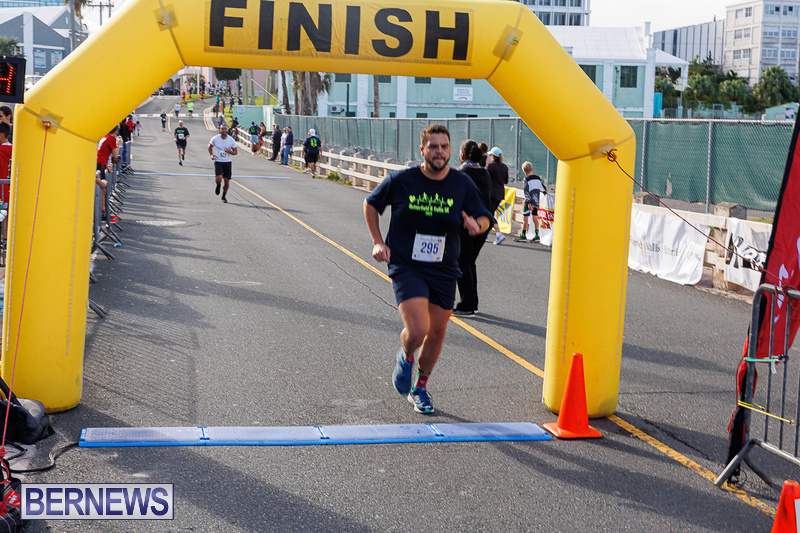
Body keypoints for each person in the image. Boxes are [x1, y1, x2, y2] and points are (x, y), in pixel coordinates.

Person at [363, 124, 492, 414]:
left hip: (444, 268)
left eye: (444, 146)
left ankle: (420, 388)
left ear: (450, 150)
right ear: (423, 150)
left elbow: (484, 217)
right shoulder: (402, 180)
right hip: (407, 264)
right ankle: (406, 355)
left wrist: (477, 225)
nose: (439, 152)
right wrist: (377, 241)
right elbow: (371, 204)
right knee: (419, 329)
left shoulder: (461, 184)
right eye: (433, 146)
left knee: (436, 332)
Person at [453, 140, 493, 316]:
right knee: (469, 262)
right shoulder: (485, 174)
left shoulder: (462, 173)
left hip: (467, 223)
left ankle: (467, 304)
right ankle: (471, 301)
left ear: (462, 155)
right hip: (484, 223)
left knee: (462, 262)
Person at [515, 162, 544, 243]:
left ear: (524, 171)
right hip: (536, 201)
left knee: (525, 218)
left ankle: (523, 235)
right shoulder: (538, 179)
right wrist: (545, 193)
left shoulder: (526, 180)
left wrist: (529, 203)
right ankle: (537, 236)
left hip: (529, 202)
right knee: (535, 218)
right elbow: (543, 188)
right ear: (532, 169)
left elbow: (526, 192)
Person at [208, 124, 238, 204]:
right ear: (220, 130)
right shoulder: (215, 138)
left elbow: (235, 152)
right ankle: (218, 185)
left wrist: (230, 152)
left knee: (226, 180)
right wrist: (211, 155)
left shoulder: (231, 140)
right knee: (219, 178)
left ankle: (224, 196)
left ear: (227, 130)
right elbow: (209, 147)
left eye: (225, 129)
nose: (224, 130)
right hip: (218, 161)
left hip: (227, 162)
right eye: (222, 129)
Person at [96, 125, 120, 222]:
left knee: (102, 190)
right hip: (101, 163)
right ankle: (102, 214)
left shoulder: (104, 136)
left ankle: (103, 212)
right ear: (116, 131)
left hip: (100, 162)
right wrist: (118, 145)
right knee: (102, 189)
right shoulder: (111, 139)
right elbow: (115, 156)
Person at [486, 146, 509, 245]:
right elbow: (506, 181)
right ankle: (486, 234)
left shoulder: (491, 166)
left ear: (492, 156)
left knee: (489, 213)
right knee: (490, 212)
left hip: (492, 193)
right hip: (500, 193)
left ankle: (498, 233)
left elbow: (485, 177)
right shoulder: (504, 167)